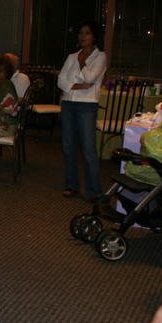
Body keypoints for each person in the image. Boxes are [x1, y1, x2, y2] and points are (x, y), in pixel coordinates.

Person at [57, 21, 107, 202]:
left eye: (87, 33)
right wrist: (76, 86)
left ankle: (94, 191)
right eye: (80, 33)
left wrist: (83, 62)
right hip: (68, 103)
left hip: (87, 105)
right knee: (68, 147)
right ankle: (72, 185)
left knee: (88, 149)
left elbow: (91, 78)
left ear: (94, 37)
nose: (82, 36)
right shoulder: (71, 56)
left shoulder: (100, 56)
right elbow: (60, 81)